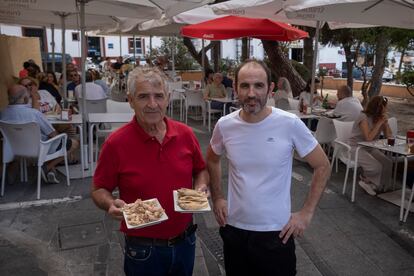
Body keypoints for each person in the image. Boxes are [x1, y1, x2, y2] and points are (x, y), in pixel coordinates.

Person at [206, 59, 330, 275]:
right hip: (234, 229)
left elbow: (322, 165)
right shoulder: (225, 125)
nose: (251, 93)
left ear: (270, 88)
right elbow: (212, 159)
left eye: (259, 85)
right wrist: (217, 197)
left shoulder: (289, 123)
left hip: (276, 233)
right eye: (245, 85)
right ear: (236, 88)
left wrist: (306, 213)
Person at [91, 66, 209, 276]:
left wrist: (200, 186)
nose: (152, 104)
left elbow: (201, 170)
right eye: (143, 96)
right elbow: (99, 189)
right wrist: (110, 204)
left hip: (186, 241)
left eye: (159, 96)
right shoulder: (116, 143)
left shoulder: (185, 134)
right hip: (143, 248)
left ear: (168, 98)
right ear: (130, 100)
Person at [0, 85, 79, 183]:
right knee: (73, 143)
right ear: (25, 98)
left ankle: (50, 169)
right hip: (39, 149)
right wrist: (62, 137)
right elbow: (52, 134)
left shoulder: (3, 113)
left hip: (14, 150)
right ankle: (47, 167)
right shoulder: (34, 114)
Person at [348, 96, 393, 196]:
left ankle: (382, 186)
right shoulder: (363, 117)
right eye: (385, 107)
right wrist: (379, 123)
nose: (386, 109)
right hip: (356, 147)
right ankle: (367, 182)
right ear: (378, 107)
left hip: (369, 147)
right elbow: (368, 138)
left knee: (387, 163)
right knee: (376, 167)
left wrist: (385, 124)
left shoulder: (379, 118)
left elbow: (389, 137)